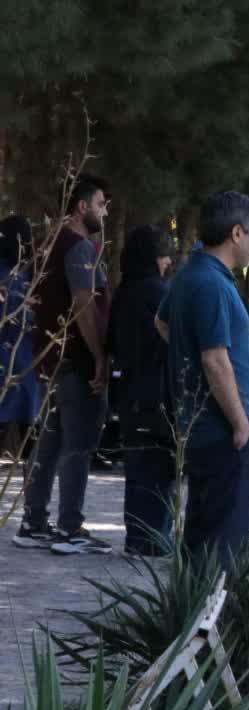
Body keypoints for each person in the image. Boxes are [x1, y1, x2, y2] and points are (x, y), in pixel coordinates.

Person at [155, 191, 249, 575]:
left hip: (203, 428)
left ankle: (193, 620)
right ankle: (207, 627)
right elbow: (214, 359)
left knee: (202, 537)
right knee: (222, 546)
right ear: (237, 233)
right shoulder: (213, 284)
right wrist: (240, 423)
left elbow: (163, 322)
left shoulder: (192, 274)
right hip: (223, 433)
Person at [13, 174, 113, 554]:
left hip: (50, 360)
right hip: (74, 359)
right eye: (101, 203)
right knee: (78, 443)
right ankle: (71, 528)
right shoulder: (77, 248)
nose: (105, 211)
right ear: (81, 206)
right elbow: (84, 304)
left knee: (50, 441)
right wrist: (99, 356)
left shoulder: (46, 246)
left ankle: (33, 520)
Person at [109, 225, 177, 556]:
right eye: (164, 255)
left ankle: (136, 537)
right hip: (156, 392)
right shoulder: (159, 293)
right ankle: (154, 539)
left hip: (128, 392)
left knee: (136, 467)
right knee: (159, 468)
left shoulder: (123, 292)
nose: (167, 262)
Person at [0, 215, 41, 456]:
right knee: (31, 447)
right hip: (27, 365)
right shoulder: (30, 277)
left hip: (6, 361)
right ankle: (31, 490)